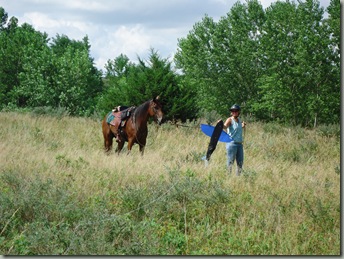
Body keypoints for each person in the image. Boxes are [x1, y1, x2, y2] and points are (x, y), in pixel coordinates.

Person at [222, 104, 246, 176]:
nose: (234, 112)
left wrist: (242, 125)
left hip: (239, 144)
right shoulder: (230, 119)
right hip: (232, 144)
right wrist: (220, 124)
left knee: (240, 163)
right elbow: (225, 126)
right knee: (230, 162)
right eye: (233, 111)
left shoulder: (239, 121)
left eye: (236, 111)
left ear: (239, 112)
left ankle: (238, 178)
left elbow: (237, 128)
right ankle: (228, 176)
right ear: (231, 112)